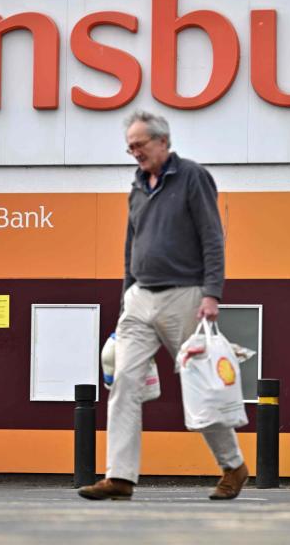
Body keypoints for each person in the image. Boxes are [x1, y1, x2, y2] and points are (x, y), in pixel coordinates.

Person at [77, 110, 248, 501]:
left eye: (139, 145)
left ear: (163, 142)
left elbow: (212, 238)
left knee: (201, 383)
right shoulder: (137, 187)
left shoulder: (192, 177)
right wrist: (124, 299)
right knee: (122, 382)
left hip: (183, 295)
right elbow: (130, 249)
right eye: (130, 147)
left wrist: (212, 294)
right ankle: (120, 477)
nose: (134, 152)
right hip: (139, 299)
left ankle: (233, 466)